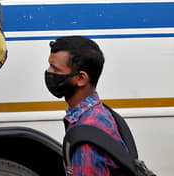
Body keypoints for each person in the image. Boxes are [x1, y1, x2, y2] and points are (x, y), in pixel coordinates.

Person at [46, 36, 128, 176]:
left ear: (81, 78)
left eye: (55, 69)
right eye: (49, 65)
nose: (48, 72)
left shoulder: (86, 142)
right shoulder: (101, 113)